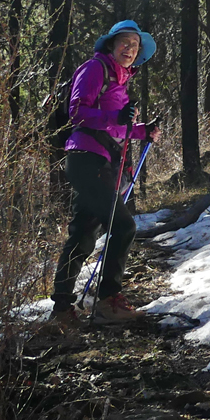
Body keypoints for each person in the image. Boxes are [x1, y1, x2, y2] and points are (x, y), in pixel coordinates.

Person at [49, 20, 160, 327]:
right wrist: (117, 116)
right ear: (111, 45)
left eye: (135, 46)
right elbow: (78, 112)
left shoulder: (120, 81)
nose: (129, 49)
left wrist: (142, 131)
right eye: (124, 42)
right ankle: (109, 300)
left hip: (101, 162)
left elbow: (115, 127)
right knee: (123, 227)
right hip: (86, 159)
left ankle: (61, 311)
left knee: (82, 238)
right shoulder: (95, 69)